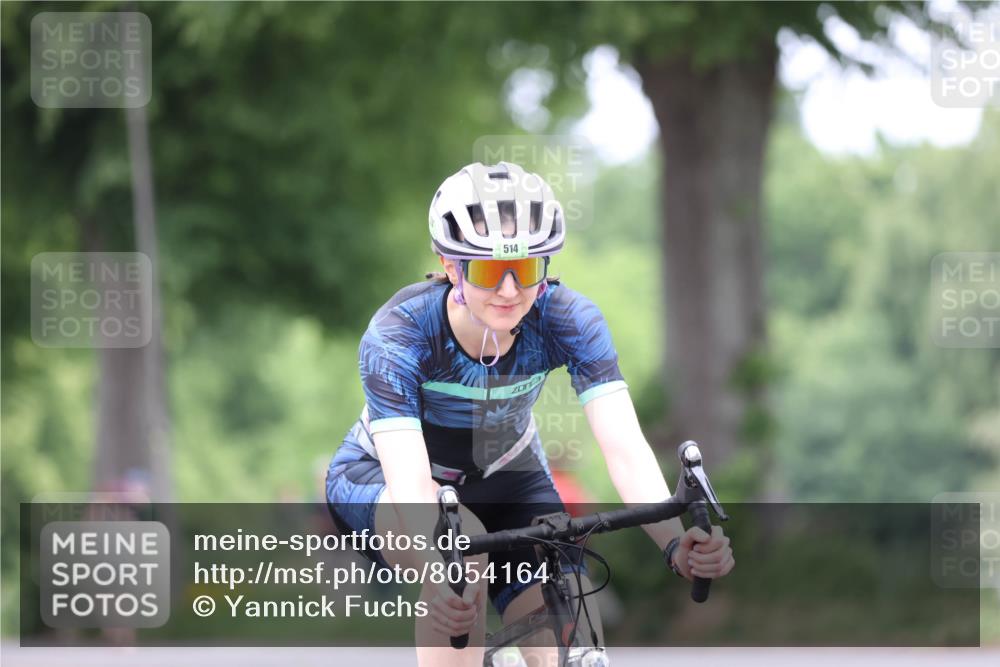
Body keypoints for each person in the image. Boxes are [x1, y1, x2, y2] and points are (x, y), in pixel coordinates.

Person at [325, 161, 735, 666]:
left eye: (527, 268)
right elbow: (411, 486)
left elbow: (626, 452)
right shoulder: (400, 333)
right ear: (450, 265)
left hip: (509, 477)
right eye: (490, 269)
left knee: (576, 624)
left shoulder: (567, 318)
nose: (510, 290)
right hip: (380, 479)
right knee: (461, 563)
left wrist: (677, 545)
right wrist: (438, 575)